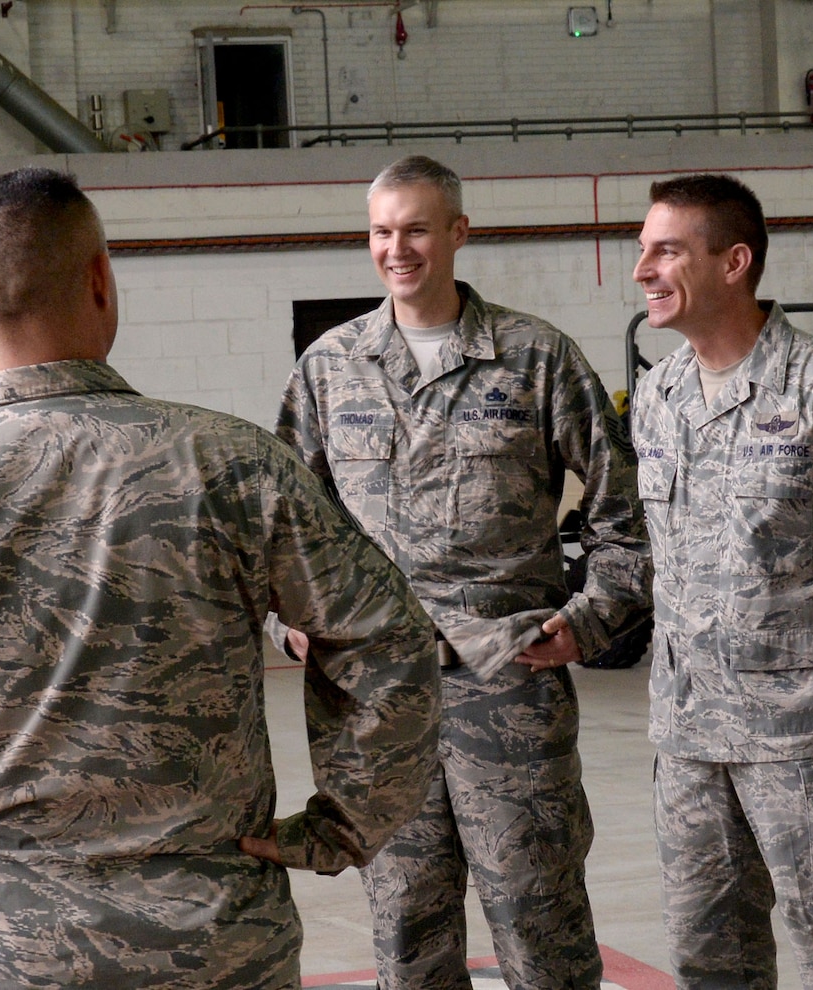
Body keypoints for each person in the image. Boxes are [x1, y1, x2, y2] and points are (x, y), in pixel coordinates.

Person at [0, 167, 441, 990]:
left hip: (11, 949)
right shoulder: (236, 467)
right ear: (102, 281)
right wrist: (342, 822)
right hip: (217, 944)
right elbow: (392, 640)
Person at [276, 154, 649, 989]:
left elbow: (628, 517)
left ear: (456, 233)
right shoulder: (330, 367)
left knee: (540, 922)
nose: (396, 248)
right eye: (381, 231)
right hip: (377, 701)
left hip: (507, 688)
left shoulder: (535, 358)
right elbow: (284, 529)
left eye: (414, 228)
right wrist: (289, 619)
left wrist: (587, 624)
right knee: (407, 931)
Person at [629, 173, 813, 990]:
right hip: (689, 738)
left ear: (735, 262)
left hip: (807, 741)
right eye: (643, 249)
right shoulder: (658, 397)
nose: (643, 269)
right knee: (706, 955)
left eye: (666, 250)